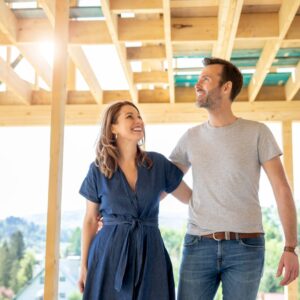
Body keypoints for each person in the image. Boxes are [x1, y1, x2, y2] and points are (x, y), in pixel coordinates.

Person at [170, 57, 299, 300]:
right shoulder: (190, 137)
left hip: (246, 249)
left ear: (226, 87)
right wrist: (116, 211)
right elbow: (165, 182)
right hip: (198, 245)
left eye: (205, 79)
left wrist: (291, 247)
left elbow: (282, 189)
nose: (197, 85)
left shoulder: (257, 132)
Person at [78, 101, 191, 300]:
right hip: (108, 254)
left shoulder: (157, 163)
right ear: (113, 128)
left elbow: (188, 197)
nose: (138, 120)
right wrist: (84, 266)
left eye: (139, 116)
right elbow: (90, 220)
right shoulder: (98, 169)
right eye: (130, 116)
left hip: (151, 252)